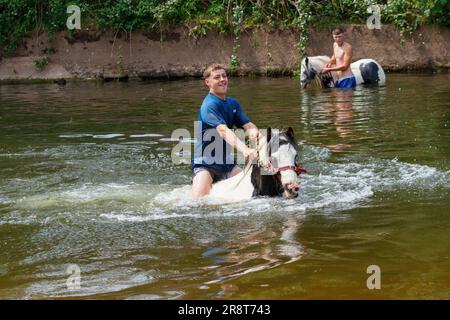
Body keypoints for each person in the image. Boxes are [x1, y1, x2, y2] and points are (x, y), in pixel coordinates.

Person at [192, 63, 260, 199]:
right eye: (217, 77)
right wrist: (245, 150)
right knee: (198, 204)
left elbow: (247, 124)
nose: (222, 79)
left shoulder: (233, 103)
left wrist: (255, 135)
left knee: (255, 192)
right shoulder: (208, 106)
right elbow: (223, 131)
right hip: (205, 164)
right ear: (208, 82)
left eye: (224, 76)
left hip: (228, 164)